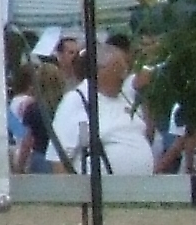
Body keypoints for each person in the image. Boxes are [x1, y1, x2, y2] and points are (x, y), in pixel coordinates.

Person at [51, 33, 154, 176]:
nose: (125, 74)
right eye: (120, 68)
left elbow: (147, 134)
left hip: (141, 187)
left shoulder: (127, 98)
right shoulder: (77, 100)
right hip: (97, 188)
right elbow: (59, 160)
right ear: (101, 69)